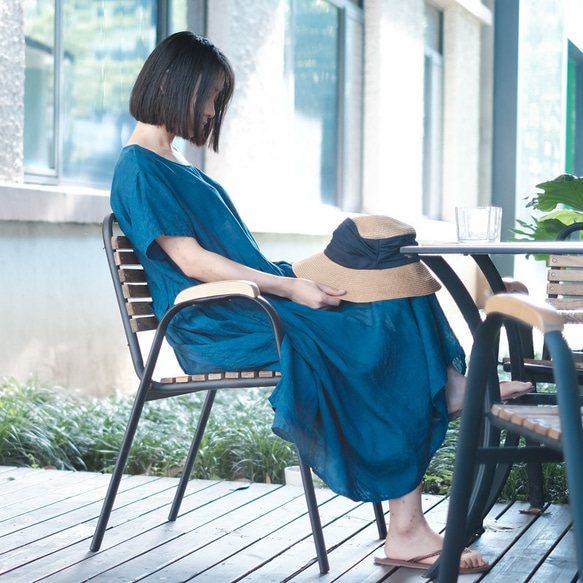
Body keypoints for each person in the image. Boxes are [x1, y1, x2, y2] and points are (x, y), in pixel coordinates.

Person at [110, 31, 532, 574]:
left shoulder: (177, 165)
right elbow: (192, 263)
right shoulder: (139, 168)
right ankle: (406, 525)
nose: (214, 109)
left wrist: (301, 279)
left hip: (257, 298)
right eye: (211, 96)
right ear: (175, 85)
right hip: (223, 319)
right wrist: (290, 287)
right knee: (370, 334)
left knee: (388, 268)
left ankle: (451, 385)